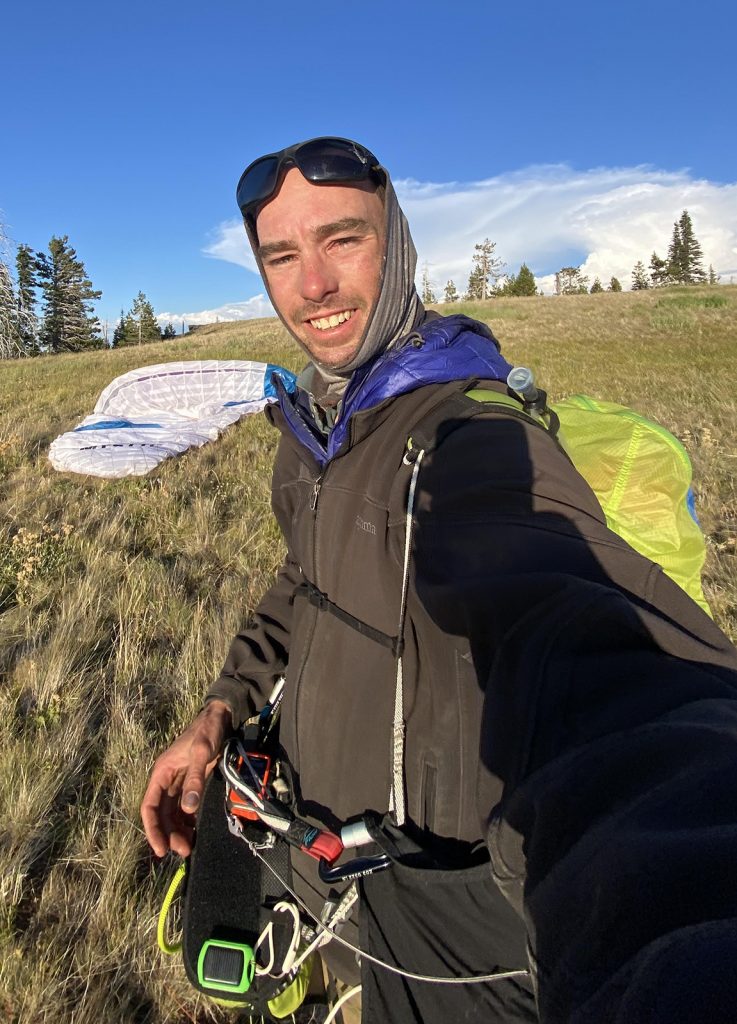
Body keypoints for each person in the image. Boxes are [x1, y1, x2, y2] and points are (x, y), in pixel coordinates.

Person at [142, 137, 737, 1023]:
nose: (314, 285)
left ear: (398, 246)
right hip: (324, 853)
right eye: (282, 256)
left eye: (343, 239)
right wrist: (219, 710)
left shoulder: (470, 437)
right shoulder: (318, 423)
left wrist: (687, 893)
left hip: (446, 901)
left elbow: (588, 639)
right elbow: (304, 579)